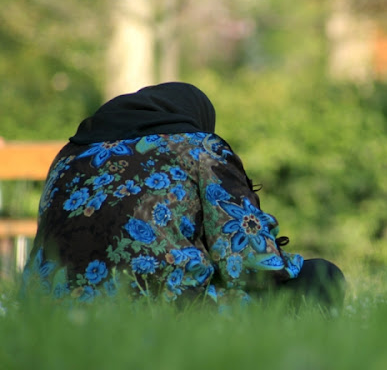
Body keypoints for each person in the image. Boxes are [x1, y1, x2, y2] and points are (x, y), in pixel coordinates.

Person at [21, 82, 345, 311]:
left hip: (51, 310)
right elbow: (248, 261)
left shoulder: (68, 157)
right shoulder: (200, 147)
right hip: (163, 308)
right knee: (321, 276)